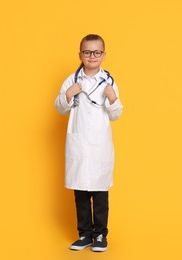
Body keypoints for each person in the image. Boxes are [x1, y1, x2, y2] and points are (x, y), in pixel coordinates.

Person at [55, 34, 123, 252]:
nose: (92, 56)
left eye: (96, 52)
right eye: (87, 52)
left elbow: (116, 114)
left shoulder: (109, 82)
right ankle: (84, 234)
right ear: (80, 55)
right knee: (81, 191)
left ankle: (100, 234)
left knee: (100, 192)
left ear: (103, 55)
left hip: (100, 145)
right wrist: (68, 94)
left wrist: (112, 98)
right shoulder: (71, 80)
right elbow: (59, 107)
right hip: (79, 144)